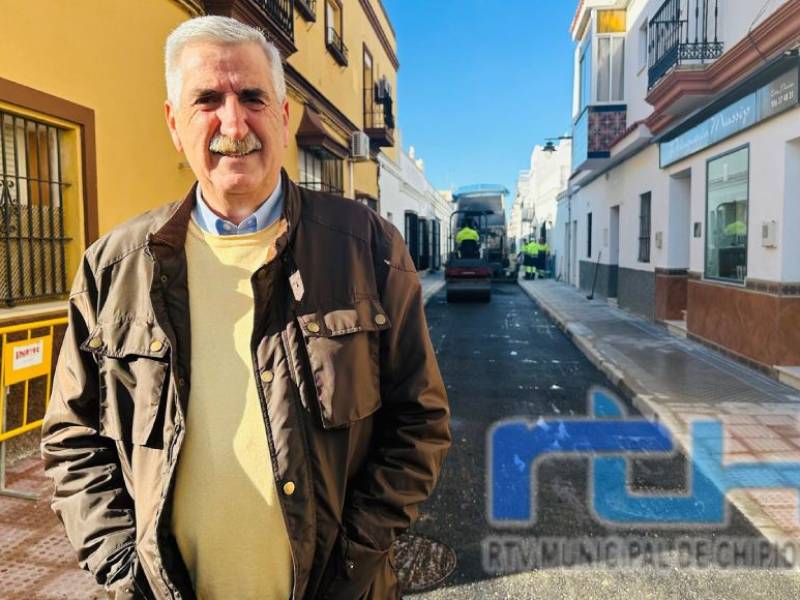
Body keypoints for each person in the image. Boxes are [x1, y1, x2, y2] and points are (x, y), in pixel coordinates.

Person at [40, 16, 450, 600]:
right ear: (174, 124)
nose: (233, 124)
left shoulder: (368, 248)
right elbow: (72, 437)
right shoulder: (113, 269)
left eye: (253, 97)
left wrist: (351, 560)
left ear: (283, 117)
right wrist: (124, 568)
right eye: (207, 99)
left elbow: (419, 420)